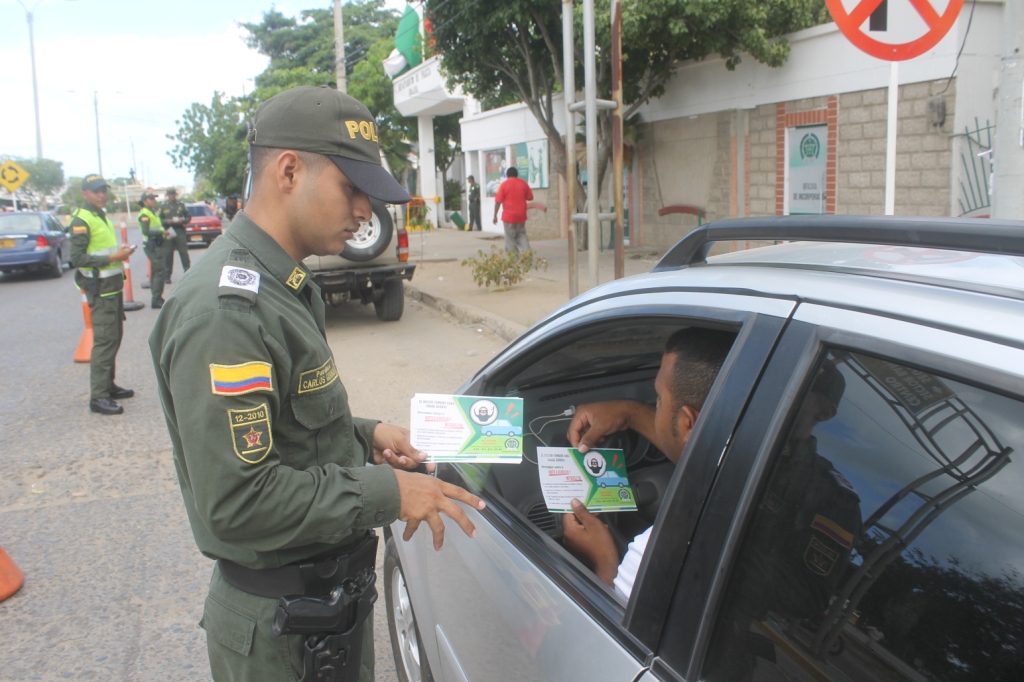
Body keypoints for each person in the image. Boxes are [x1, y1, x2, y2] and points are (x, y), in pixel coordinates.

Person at [148, 85, 486, 682]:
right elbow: (238, 502)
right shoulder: (227, 313)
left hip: (321, 616)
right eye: (351, 188)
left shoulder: (285, 285)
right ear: (288, 170)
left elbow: (293, 430)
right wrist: (388, 492)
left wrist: (365, 436)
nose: (365, 212)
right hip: (281, 633)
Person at [561, 327, 735, 598]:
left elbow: (615, 630)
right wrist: (631, 413)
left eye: (659, 399)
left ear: (688, 422)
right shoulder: (769, 460)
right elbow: (695, 441)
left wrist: (604, 560)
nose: (655, 408)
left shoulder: (654, 552)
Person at [69, 174, 136, 415]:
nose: (101, 194)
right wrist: (112, 257)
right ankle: (98, 396)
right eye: (96, 191)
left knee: (114, 337)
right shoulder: (82, 220)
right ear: (84, 193)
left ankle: (108, 385)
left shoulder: (100, 215)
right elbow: (76, 259)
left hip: (113, 288)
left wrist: (120, 253)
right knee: (105, 341)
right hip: (101, 290)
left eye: (103, 190)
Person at [137, 193, 169, 308]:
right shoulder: (145, 215)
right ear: (144, 201)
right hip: (152, 245)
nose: (153, 201)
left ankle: (157, 297)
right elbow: (146, 232)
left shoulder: (151, 212)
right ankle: (156, 299)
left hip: (156, 244)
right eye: (151, 199)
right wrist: (161, 232)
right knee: (160, 271)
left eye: (154, 198)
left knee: (156, 271)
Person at [492, 166, 533, 252]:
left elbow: (498, 201)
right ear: (517, 175)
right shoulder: (523, 183)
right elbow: (530, 197)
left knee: (510, 238)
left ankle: (514, 260)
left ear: (507, 175)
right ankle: (527, 253)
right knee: (521, 234)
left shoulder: (503, 185)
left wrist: (495, 216)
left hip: (508, 217)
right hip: (521, 216)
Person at [159, 187, 191, 282]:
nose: (172, 196)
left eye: (173, 194)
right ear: (167, 195)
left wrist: (182, 220)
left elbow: (188, 217)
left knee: (183, 253)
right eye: (170, 194)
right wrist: (166, 221)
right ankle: (167, 275)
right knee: (168, 254)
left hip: (179, 230)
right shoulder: (163, 206)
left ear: (175, 195)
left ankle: (187, 272)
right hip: (168, 231)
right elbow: (159, 220)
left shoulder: (180, 205)